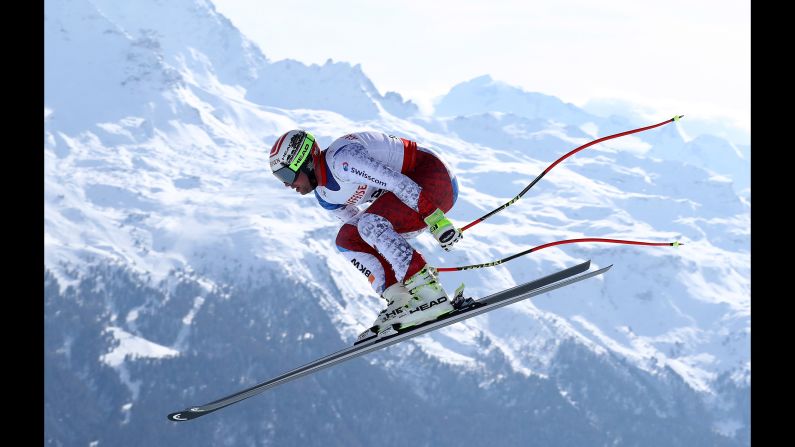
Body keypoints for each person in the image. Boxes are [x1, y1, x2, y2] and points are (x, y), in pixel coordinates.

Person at [269, 130, 463, 341]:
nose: (287, 184)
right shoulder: (325, 196)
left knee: (370, 224)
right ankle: (401, 298)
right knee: (348, 239)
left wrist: (437, 221)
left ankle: (428, 292)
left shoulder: (344, 159)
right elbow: (364, 234)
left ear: (304, 161)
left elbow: (397, 182)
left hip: (435, 178)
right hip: (414, 197)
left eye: (286, 175)